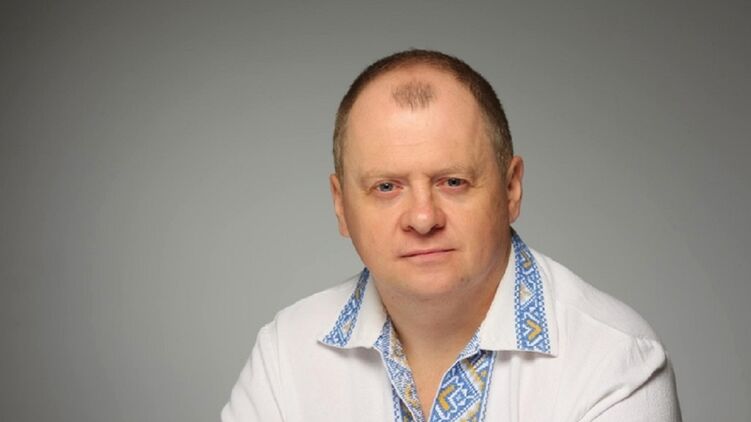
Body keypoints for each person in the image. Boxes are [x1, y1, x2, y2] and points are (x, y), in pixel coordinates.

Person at [221, 49, 681, 422]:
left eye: (453, 182)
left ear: (511, 189)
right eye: (386, 187)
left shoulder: (614, 361)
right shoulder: (286, 351)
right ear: (341, 206)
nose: (423, 219)